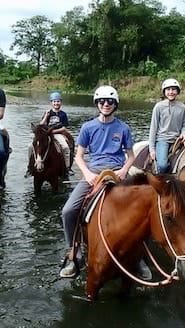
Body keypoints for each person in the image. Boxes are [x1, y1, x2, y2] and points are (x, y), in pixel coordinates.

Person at [59, 85, 136, 278]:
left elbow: (131, 155)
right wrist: (87, 174)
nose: (106, 104)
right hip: (94, 173)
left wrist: (124, 170)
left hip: (116, 173)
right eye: (102, 101)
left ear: (115, 104)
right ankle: (73, 254)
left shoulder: (123, 128)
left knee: (137, 211)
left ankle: (138, 257)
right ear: (97, 104)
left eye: (110, 102)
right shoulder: (87, 127)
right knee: (68, 211)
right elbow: (78, 156)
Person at [25, 91, 71, 176]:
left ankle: (67, 168)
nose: (56, 103)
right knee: (30, 146)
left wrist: (54, 131)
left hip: (58, 134)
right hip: (45, 135)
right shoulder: (48, 113)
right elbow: (41, 124)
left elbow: (64, 127)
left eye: (58, 101)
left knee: (65, 147)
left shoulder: (63, 114)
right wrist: (46, 116)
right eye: (54, 101)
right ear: (51, 103)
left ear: (61, 102)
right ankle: (30, 167)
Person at [148, 78, 185, 174]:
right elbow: (153, 128)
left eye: (173, 89)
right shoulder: (159, 107)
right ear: (164, 92)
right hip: (163, 140)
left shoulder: (182, 107)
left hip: (177, 140)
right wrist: (152, 149)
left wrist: (184, 133)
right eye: (168, 89)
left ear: (177, 91)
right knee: (162, 165)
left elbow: (184, 124)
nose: (171, 92)